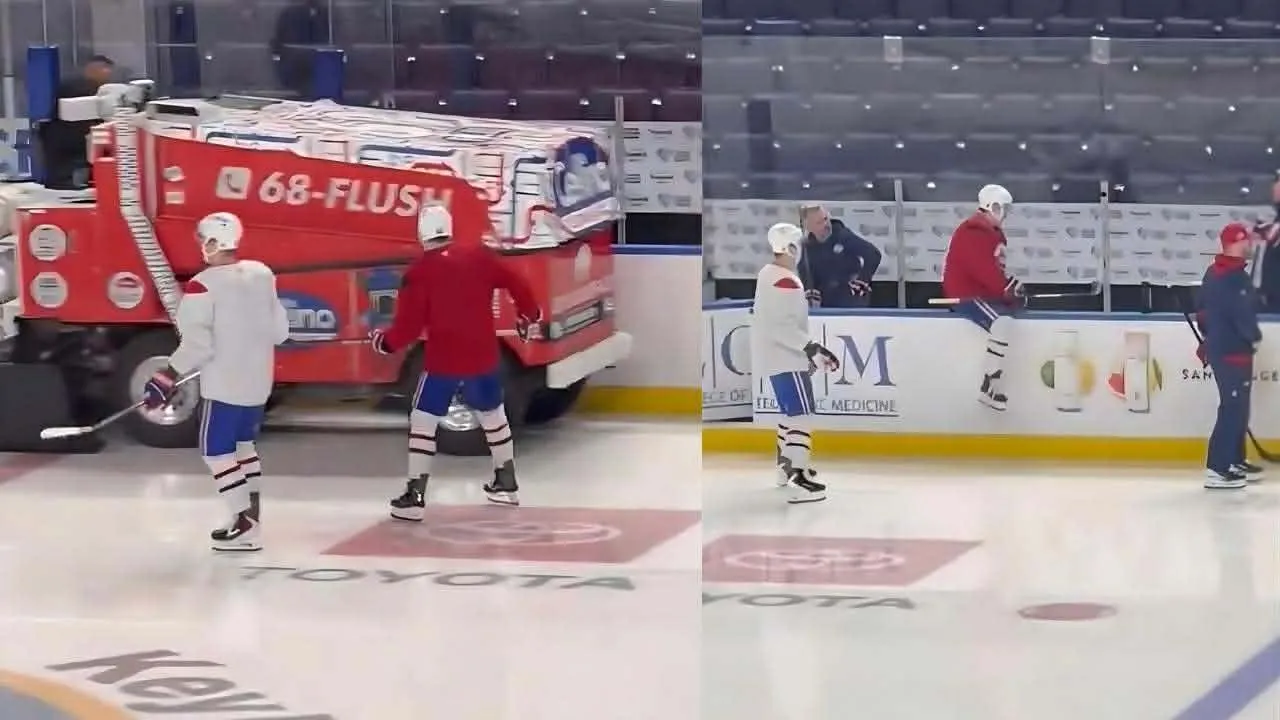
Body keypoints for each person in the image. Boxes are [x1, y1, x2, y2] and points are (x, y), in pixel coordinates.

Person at [371, 204, 541, 518]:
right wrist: (528, 314)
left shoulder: (418, 273)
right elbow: (518, 283)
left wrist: (385, 344)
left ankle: (415, 496)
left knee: (423, 421)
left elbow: (407, 328)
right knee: (493, 416)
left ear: (421, 233)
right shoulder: (480, 257)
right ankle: (507, 484)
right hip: (483, 356)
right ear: (449, 229)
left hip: (442, 362)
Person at [143, 212, 291, 551]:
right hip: (258, 384)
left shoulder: (202, 285)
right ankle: (252, 515)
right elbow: (280, 331)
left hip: (225, 386)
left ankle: (243, 522)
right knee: (243, 447)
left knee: (215, 451)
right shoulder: (262, 274)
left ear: (213, 241)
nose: (201, 247)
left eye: (203, 240)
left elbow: (197, 345)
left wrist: (167, 376)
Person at [751, 222, 840, 504]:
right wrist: (811, 348)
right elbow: (782, 326)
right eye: (797, 245)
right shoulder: (784, 280)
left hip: (780, 356)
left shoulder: (770, 274)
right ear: (789, 247)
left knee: (790, 413)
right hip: (786, 357)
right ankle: (798, 475)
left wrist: (809, 351)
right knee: (801, 412)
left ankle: (784, 466)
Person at [941, 184, 1024, 412]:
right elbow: (982, 270)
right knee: (1003, 322)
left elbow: (994, 272)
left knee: (1008, 317)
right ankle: (989, 385)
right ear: (993, 207)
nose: (1006, 214)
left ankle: (991, 383)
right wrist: (1005, 290)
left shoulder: (991, 234)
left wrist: (1010, 290)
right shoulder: (973, 232)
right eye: (1004, 208)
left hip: (982, 294)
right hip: (966, 295)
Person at [1195, 222, 1265, 490]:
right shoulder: (1235, 278)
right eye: (1245, 241)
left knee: (1238, 406)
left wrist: (1211, 336)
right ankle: (1218, 467)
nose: (1249, 245)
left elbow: (1201, 311)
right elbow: (1243, 315)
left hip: (1222, 349)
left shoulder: (1213, 273)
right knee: (1232, 407)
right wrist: (1253, 337)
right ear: (1237, 243)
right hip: (1233, 351)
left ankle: (1235, 459)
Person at [40, 55, 114, 189]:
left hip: (75, 136)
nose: (107, 75)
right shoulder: (79, 85)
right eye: (104, 70)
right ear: (91, 69)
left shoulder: (100, 88)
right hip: (67, 135)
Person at [796, 204, 882, 308]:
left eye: (826, 219)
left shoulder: (842, 235)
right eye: (819, 223)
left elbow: (873, 254)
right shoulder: (807, 248)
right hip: (826, 306)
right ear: (808, 227)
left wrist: (861, 281)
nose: (826, 224)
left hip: (852, 303)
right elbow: (807, 278)